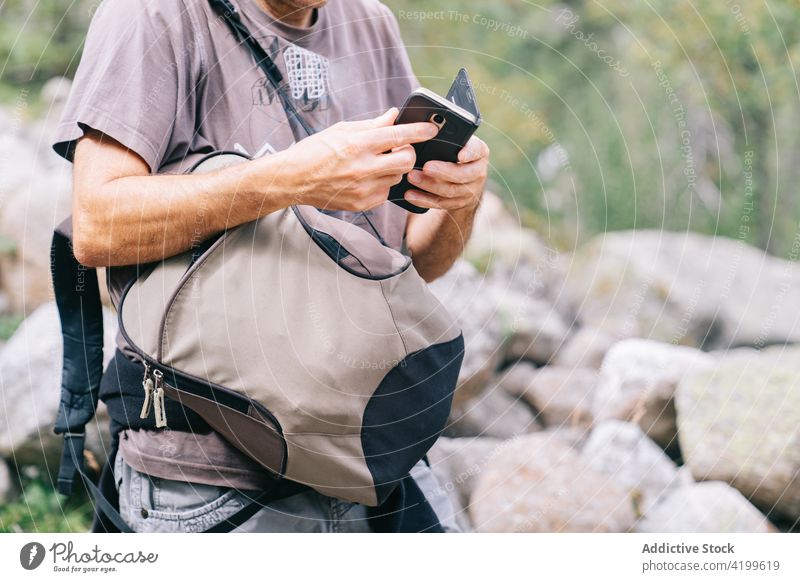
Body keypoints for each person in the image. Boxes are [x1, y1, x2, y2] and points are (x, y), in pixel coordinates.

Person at [53, 0, 489, 533]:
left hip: (361, 456)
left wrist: (459, 199)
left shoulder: (369, 22)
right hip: (211, 478)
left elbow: (417, 263)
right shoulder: (153, 15)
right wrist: (291, 179)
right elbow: (98, 226)